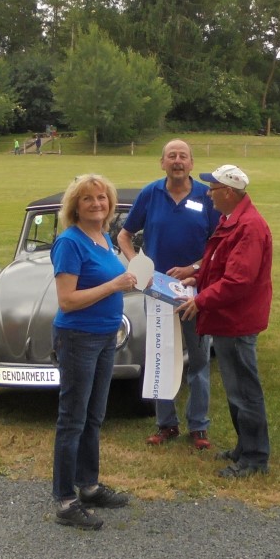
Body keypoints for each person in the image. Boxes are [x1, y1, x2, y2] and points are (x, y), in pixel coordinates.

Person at [117, 139, 221, 448]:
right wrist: (139, 266)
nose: (177, 161)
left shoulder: (206, 196)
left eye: (183, 156)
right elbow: (124, 235)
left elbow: (219, 246)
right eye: (171, 156)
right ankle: (166, 424)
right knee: (161, 355)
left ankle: (199, 426)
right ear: (162, 163)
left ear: (191, 164)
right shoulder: (151, 194)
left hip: (195, 291)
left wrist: (193, 269)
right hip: (157, 291)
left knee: (199, 358)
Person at [50, 174, 138, 529]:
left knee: (94, 416)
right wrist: (114, 284)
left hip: (105, 337)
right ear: (75, 206)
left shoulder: (102, 238)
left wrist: (132, 284)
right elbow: (67, 301)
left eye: (102, 198)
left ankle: (88, 485)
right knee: (72, 419)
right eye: (88, 199)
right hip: (78, 338)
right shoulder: (69, 243)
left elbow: (110, 286)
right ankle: (65, 499)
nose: (97, 204)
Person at [177, 164, 273, 478]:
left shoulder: (248, 226)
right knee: (235, 389)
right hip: (230, 320)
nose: (208, 193)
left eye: (213, 188)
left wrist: (200, 299)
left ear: (228, 192)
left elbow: (237, 281)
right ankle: (245, 448)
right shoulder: (233, 220)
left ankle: (255, 458)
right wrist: (197, 278)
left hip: (237, 321)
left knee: (244, 390)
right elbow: (220, 263)